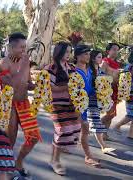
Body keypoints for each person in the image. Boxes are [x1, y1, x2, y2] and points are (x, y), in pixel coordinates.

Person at [0, 32, 38, 178]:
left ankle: (18, 163)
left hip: (24, 103)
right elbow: (13, 83)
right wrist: (25, 64)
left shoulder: (24, 61)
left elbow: (28, 84)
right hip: (9, 105)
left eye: (25, 47)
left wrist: (38, 85)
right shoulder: (2, 64)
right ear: (12, 48)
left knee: (33, 137)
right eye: (21, 47)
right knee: (9, 141)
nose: (24, 50)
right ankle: (6, 171)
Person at [44, 42, 81, 175]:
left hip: (71, 105)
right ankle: (55, 161)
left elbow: (77, 84)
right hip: (57, 104)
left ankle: (55, 157)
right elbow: (49, 87)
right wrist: (67, 87)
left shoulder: (71, 67)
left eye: (69, 52)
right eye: (66, 52)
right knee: (62, 131)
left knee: (74, 129)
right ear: (59, 52)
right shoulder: (50, 68)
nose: (68, 54)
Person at [74, 45, 102, 168]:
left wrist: (99, 93)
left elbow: (90, 88)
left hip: (86, 105)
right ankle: (88, 156)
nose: (88, 56)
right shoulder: (73, 71)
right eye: (85, 54)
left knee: (83, 129)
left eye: (89, 54)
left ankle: (87, 155)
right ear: (78, 55)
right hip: (76, 106)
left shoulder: (90, 70)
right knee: (83, 128)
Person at [88, 50, 115, 152]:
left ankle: (77, 139)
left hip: (98, 100)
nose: (101, 59)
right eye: (99, 57)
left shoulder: (99, 69)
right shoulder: (89, 70)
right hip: (90, 100)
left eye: (101, 57)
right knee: (95, 121)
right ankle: (103, 146)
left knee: (85, 122)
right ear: (93, 58)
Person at [100, 43, 121, 140]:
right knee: (111, 113)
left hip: (115, 90)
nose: (116, 51)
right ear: (108, 51)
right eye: (114, 49)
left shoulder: (117, 64)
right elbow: (100, 75)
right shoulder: (104, 61)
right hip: (107, 90)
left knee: (112, 113)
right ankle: (95, 124)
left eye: (117, 50)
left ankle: (104, 134)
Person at [114, 49, 133, 140]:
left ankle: (131, 134)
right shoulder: (131, 67)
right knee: (131, 114)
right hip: (131, 94)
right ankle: (117, 125)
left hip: (128, 93)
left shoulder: (128, 66)